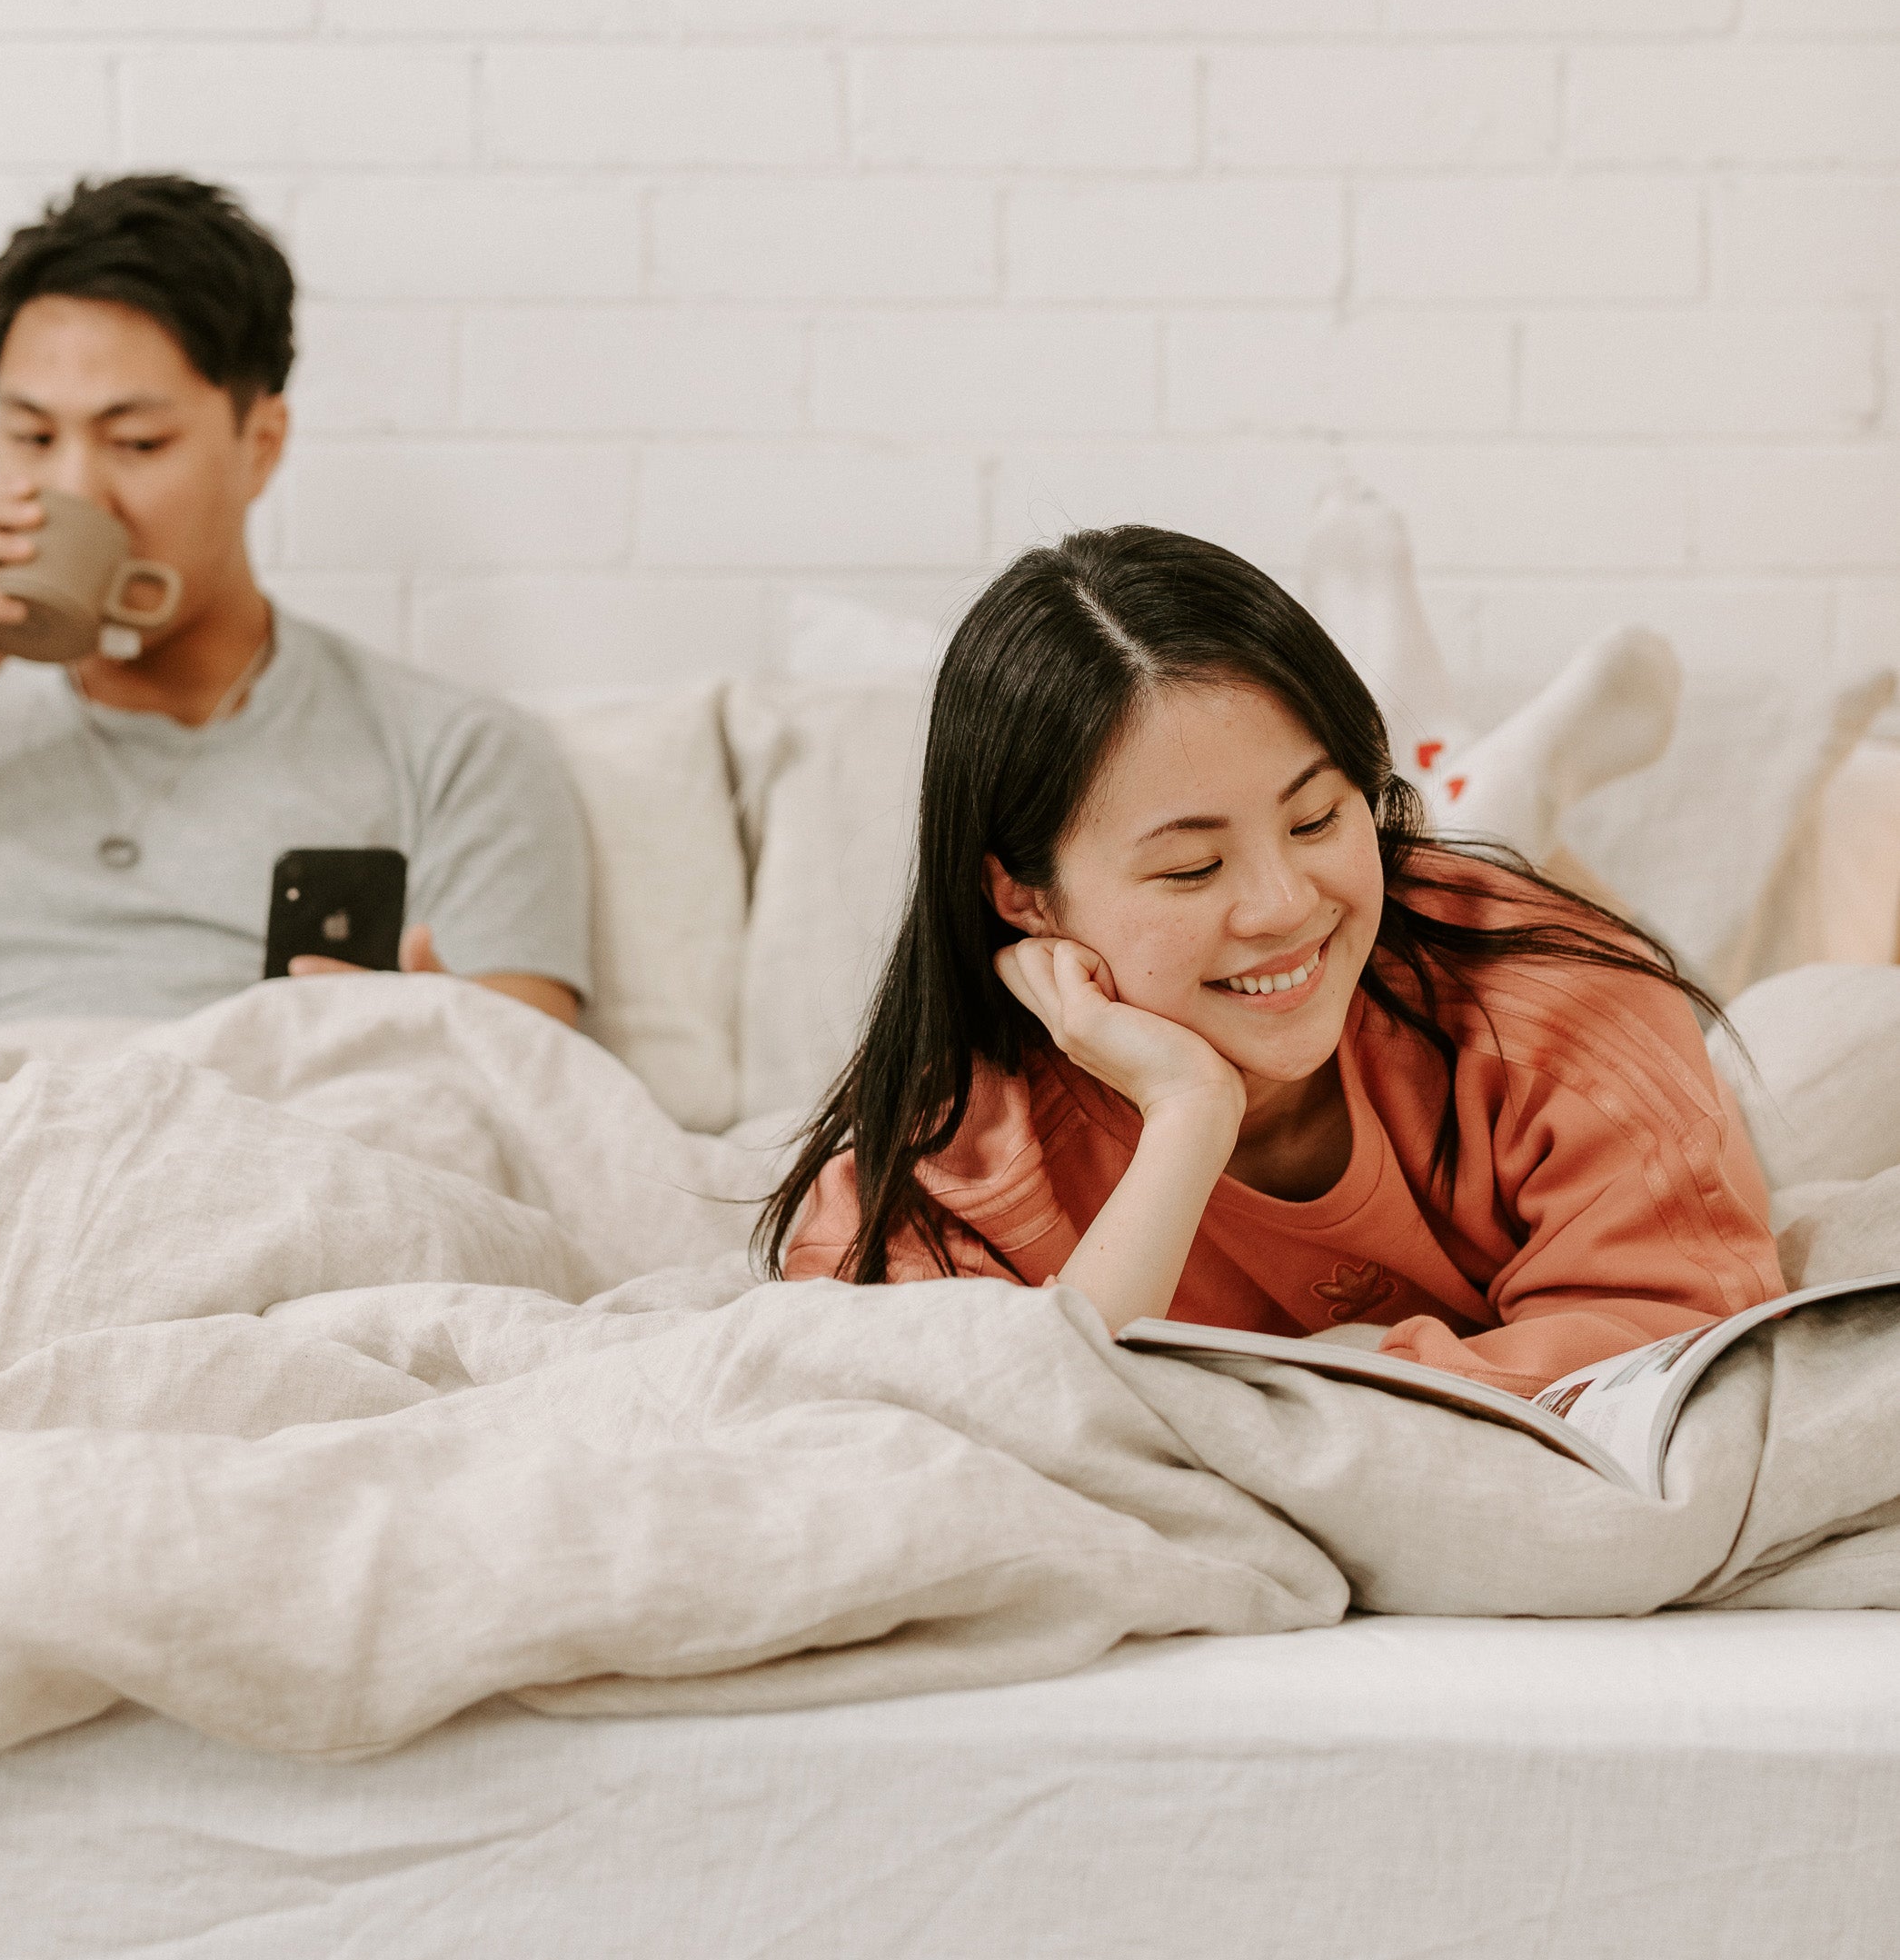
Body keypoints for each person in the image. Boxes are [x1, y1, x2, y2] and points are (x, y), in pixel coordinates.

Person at [763, 524, 1786, 1395]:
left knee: (1830, 1035)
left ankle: (1481, 796)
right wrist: (1187, 1115)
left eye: (1315, 816)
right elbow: (982, 1423)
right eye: (1193, 867)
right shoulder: (965, 1151)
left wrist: (1342, 1372)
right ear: (1025, 897)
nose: (1283, 906)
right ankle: (1475, 786)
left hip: (1607, 1002)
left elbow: (1683, 1339)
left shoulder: (1557, 1005)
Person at [0, 174, 590, 1034]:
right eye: (30, 435)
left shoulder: (451, 751)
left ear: (260, 444)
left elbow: (538, 1108)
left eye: (137, 443)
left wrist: (429, 1037)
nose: (78, 492)